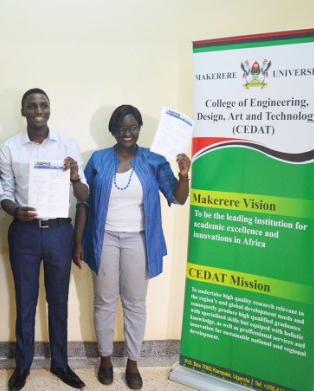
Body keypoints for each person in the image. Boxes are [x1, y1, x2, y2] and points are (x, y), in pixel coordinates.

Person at [72, 104, 191, 389]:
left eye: (133, 127)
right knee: (104, 301)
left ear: (139, 129)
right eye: (123, 128)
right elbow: (84, 201)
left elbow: (178, 197)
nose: (128, 133)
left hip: (139, 240)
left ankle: (133, 363)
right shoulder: (98, 160)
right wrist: (78, 241)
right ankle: (104, 359)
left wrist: (184, 174)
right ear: (113, 130)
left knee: (135, 304)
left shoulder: (154, 160)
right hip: (104, 240)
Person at [0, 88, 89, 391]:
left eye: (43, 105)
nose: (39, 110)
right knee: (25, 300)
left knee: (58, 300)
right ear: (23, 111)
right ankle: (22, 365)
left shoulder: (67, 144)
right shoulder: (10, 147)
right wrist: (16, 211)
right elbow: (4, 196)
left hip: (60, 232)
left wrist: (75, 176)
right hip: (24, 231)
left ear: (49, 109)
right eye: (32, 105)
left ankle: (60, 363)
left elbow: (84, 195)